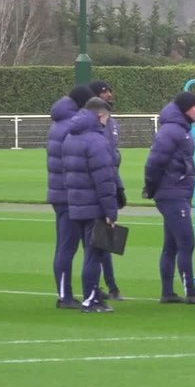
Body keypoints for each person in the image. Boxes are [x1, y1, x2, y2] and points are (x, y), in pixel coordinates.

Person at [143, 91, 195, 305]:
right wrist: (151, 187)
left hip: (175, 191)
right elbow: (155, 161)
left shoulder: (179, 128)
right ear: (185, 109)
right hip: (172, 193)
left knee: (171, 244)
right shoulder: (172, 130)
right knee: (186, 242)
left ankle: (167, 292)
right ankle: (190, 291)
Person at [62, 97, 120, 313]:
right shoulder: (97, 141)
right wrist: (111, 212)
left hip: (76, 203)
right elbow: (104, 180)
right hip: (94, 205)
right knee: (94, 255)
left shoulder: (70, 136)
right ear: (100, 116)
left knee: (90, 253)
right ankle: (91, 299)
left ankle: (91, 297)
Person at [47, 84, 94, 308]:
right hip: (70, 193)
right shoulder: (72, 126)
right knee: (68, 246)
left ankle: (69, 293)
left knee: (66, 246)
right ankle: (64, 295)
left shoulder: (60, 123)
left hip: (61, 191)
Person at [89, 80, 125, 301]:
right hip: (95, 188)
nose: (109, 94)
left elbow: (113, 157)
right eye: (104, 92)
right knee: (97, 242)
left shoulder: (112, 122)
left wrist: (118, 186)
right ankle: (99, 288)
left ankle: (109, 286)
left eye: (110, 91)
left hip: (109, 182)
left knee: (104, 239)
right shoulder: (90, 124)